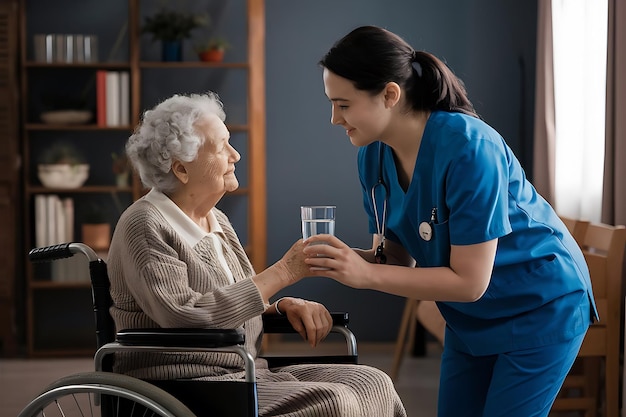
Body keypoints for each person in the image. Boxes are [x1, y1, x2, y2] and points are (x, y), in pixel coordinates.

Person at [305, 25, 597, 417]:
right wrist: (343, 259)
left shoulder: (470, 148)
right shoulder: (372, 156)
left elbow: (470, 281)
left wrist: (366, 274)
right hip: (470, 318)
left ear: (390, 95)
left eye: (343, 105)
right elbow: (395, 258)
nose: (334, 119)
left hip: (539, 302)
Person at [106, 91, 407, 417]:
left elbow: (229, 302)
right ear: (181, 169)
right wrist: (283, 273)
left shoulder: (215, 219)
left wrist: (278, 307)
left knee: (373, 382)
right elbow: (182, 316)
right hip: (183, 382)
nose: (235, 155)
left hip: (243, 372)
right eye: (221, 148)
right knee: (333, 403)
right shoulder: (144, 223)